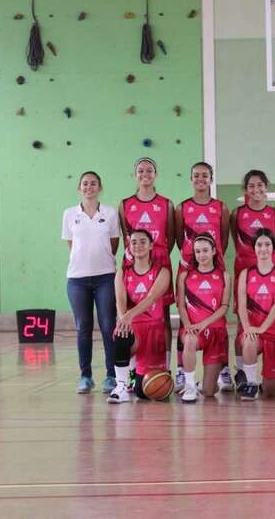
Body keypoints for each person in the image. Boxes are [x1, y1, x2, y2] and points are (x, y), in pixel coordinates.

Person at [118, 157, 176, 388]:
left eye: (149, 170)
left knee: (161, 317)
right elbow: (126, 237)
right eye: (140, 170)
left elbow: (170, 237)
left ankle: (166, 367)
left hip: (159, 262)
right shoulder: (125, 204)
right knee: (132, 315)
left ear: (155, 174)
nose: (145, 174)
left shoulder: (166, 204)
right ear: (135, 175)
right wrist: (138, 256)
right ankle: (132, 371)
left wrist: (155, 257)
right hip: (134, 262)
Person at [62, 171, 120, 394]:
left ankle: (111, 376)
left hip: (105, 277)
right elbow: (72, 245)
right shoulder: (69, 214)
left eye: (93, 183)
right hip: (77, 280)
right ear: (79, 188)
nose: (89, 187)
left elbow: (113, 244)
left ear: (100, 187)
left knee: (108, 327)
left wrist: (100, 261)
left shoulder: (110, 213)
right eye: (85, 184)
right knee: (82, 328)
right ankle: (85, 376)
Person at [175, 162, 230, 393]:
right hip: (190, 265)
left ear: (211, 179)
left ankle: (223, 368)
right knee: (186, 312)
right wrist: (194, 257)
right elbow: (179, 239)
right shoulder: (182, 208)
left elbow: (223, 239)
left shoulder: (221, 207)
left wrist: (211, 257)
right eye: (196, 175)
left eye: (204, 175)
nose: (200, 179)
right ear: (191, 179)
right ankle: (181, 370)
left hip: (213, 264)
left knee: (217, 315)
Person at [231, 170, 275, 392]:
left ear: (266, 187)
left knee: (274, 317)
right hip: (245, 269)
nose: (256, 190)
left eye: (260, 185)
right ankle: (242, 371)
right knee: (244, 324)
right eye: (251, 186)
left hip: (270, 269)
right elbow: (236, 240)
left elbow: (273, 240)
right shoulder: (237, 214)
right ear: (245, 190)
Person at [108, 230, 170, 403]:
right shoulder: (123, 272)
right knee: (121, 333)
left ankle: (133, 374)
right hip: (133, 328)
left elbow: (151, 298)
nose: (138, 245)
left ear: (151, 246)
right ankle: (121, 386)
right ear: (129, 246)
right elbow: (120, 299)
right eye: (134, 242)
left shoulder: (162, 272)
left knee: (145, 392)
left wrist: (128, 315)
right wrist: (123, 318)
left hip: (153, 329)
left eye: (143, 242)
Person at [176, 233, 231, 403]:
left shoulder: (224, 276)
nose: (201, 255)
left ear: (214, 251)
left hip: (215, 332)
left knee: (209, 391)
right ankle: (190, 386)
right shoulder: (185, 276)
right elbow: (181, 305)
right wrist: (188, 325)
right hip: (193, 331)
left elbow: (224, 307)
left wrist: (203, 323)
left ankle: (203, 384)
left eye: (205, 250)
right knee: (190, 340)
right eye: (198, 251)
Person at [236, 229, 275, 400]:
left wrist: (262, 327)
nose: (263, 248)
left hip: (274, 331)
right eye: (259, 244)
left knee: (271, 392)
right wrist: (248, 328)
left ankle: (272, 377)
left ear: (273, 248)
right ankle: (250, 383)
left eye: (267, 244)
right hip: (254, 331)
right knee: (249, 340)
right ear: (254, 248)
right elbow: (242, 306)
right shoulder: (245, 274)